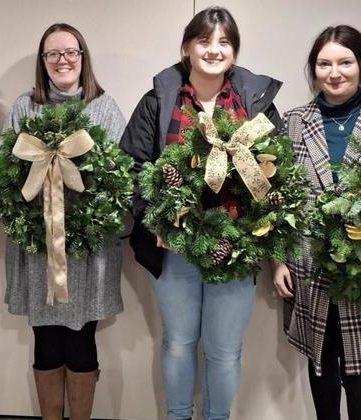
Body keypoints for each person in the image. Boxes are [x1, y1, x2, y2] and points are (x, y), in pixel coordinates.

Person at [120, 7, 282, 420]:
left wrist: (265, 237)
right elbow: (133, 166)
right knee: (177, 342)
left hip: (236, 248)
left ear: (235, 51)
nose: (214, 50)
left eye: (224, 42)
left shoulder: (255, 102)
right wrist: (154, 217)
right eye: (204, 41)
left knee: (225, 352)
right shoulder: (159, 100)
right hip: (172, 245)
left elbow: (279, 170)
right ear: (187, 47)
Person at [272, 25, 361, 420]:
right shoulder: (295, 121)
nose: (334, 72)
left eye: (345, 62)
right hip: (309, 263)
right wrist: (279, 260)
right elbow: (278, 197)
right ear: (313, 69)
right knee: (321, 367)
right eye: (324, 63)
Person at [1, 23, 126, 420]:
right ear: (43, 62)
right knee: (45, 337)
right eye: (52, 54)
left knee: (80, 336)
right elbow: (5, 173)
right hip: (38, 246)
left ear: (83, 58)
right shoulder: (25, 107)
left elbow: (123, 178)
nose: (62, 61)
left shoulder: (104, 107)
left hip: (88, 248)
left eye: (71, 52)